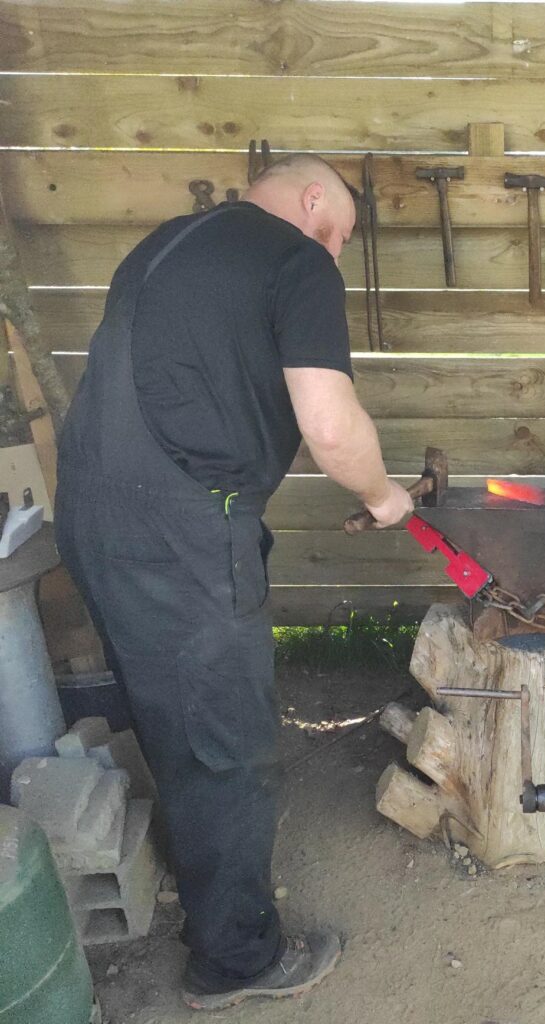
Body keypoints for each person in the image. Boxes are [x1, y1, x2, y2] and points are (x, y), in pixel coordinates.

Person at [55, 154, 413, 1010]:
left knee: (170, 711)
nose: (335, 250)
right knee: (227, 742)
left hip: (93, 512)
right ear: (315, 198)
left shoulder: (167, 245)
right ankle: (236, 958)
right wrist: (381, 493)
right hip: (179, 533)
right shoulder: (295, 261)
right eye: (340, 232)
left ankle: (200, 877)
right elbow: (330, 425)